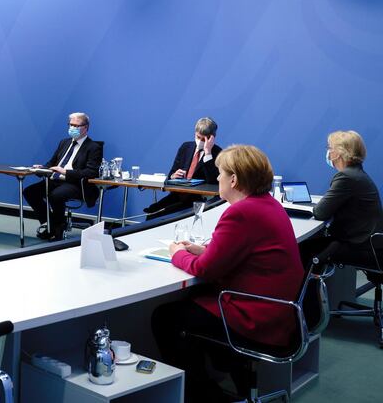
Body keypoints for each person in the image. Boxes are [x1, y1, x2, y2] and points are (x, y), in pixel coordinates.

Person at [151, 145, 304, 402]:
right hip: (280, 313)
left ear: (234, 179)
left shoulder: (240, 212)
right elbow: (238, 251)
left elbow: (205, 269)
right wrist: (203, 249)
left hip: (256, 317)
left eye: (221, 173)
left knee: (166, 318)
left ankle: (203, 395)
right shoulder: (268, 205)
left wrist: (177, 252)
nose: (218, 178)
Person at [300, 130, 383, 266]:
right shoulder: (357, 174)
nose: (328, 152)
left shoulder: (346, 177)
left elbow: (320, 212)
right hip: (370, 242)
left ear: (338, 153)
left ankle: (303, 287)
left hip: (362, 246)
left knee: (303, 247)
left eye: (330, 148)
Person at [23, 113, 103, 241]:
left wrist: (65, 172)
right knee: (29, 192)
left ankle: (58, 228)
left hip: (75, 183)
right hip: (55, 180)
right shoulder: (64, 143)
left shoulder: (94, 147)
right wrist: (41, 168)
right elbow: (52, 163)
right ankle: (52, 225)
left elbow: (91, 172)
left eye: (77, 126)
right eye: (71, 125)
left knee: (56, 195)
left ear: (86, 127)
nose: (73, 128)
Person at [144, 117, 222, 219]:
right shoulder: (186, 147)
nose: (200, 141)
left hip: (196, 200)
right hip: (177, 195)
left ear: (211, 138)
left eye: (204, 139)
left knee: (162, 215)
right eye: (198, 137)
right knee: (152, 211)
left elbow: (214, 182)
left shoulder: (217, 153)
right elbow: (171, 174)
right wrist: (173, 176)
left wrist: (208, 153)